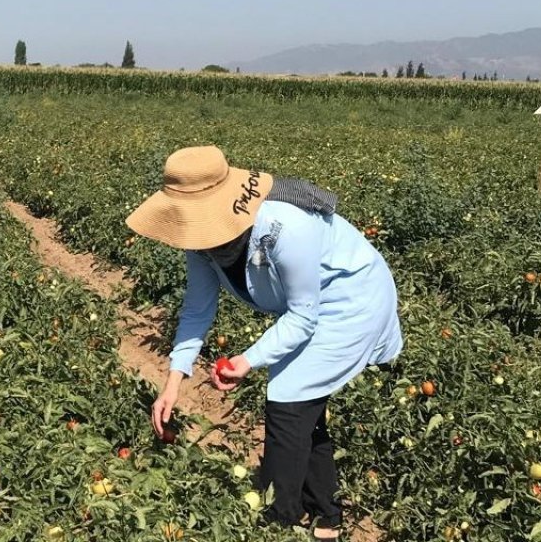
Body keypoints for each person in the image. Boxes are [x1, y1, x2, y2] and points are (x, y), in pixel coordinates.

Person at [127, 146, 403, 541]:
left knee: (289, 405)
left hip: (349, 300)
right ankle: (326, 513)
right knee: (302, 407)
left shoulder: (284, 226)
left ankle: (280, 521)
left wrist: (247, 360)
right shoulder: (200, 242)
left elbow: (304, 315)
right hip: (307, 309)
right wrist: (173, 381)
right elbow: (197, 309)